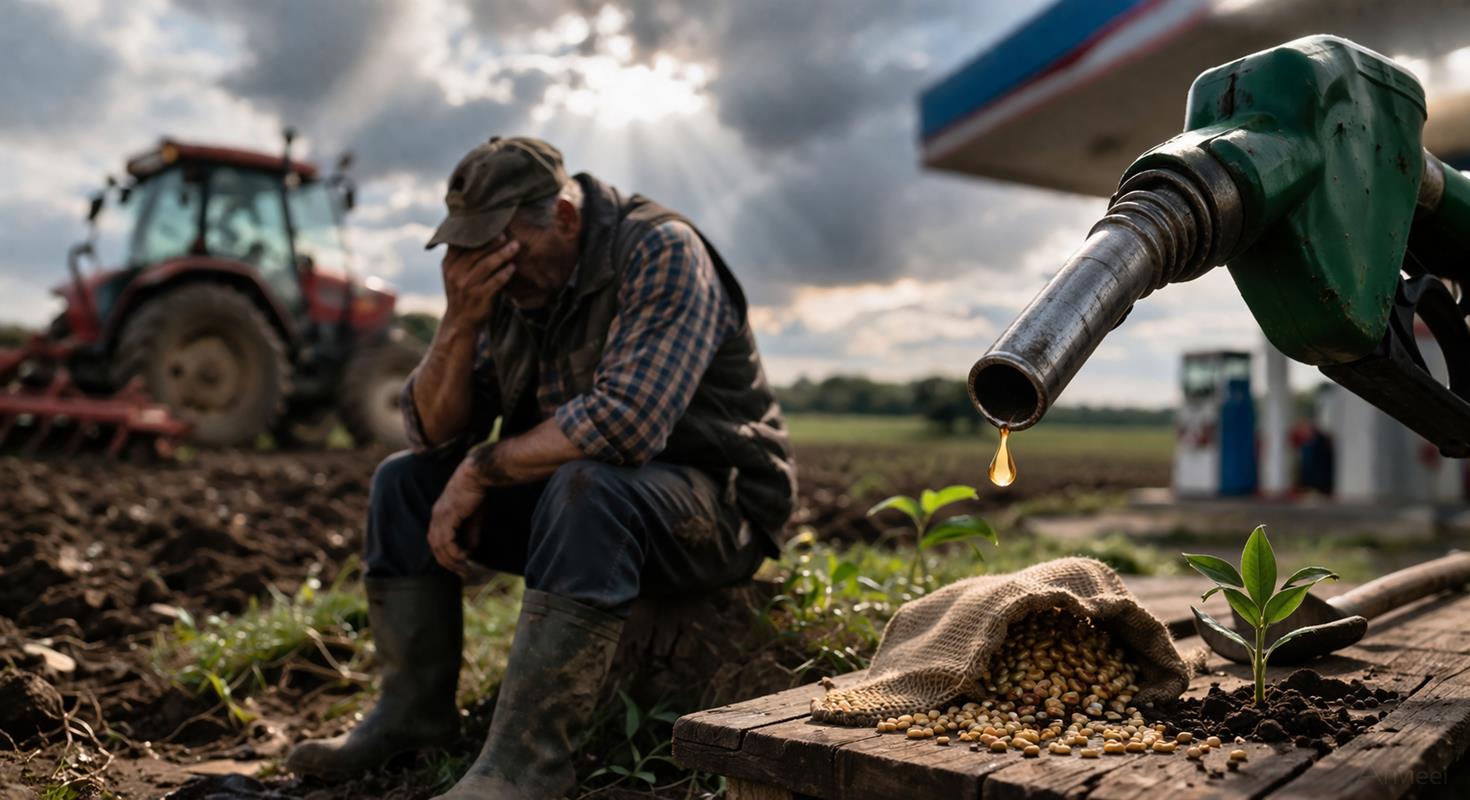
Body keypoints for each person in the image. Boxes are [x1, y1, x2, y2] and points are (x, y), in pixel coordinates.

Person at [286, 136, 796, 798]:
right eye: (468, 249)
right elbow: (429, 432)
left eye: (501, 245)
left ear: (563, 217)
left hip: (715, 508)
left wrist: (480, 470)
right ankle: (410, 716)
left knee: (590, 485)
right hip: (584, 503)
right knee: (404, 483)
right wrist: (459, 324)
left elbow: (626, 422)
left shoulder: (660, 249)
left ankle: (525, 767)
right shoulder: (507, 283)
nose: (488, 265)